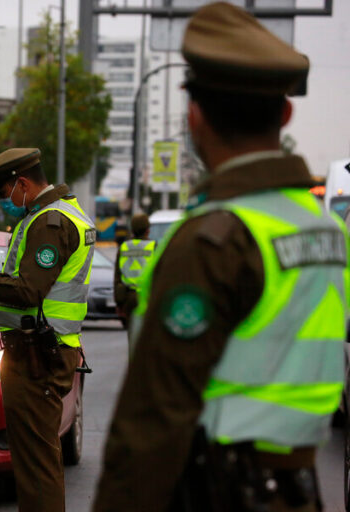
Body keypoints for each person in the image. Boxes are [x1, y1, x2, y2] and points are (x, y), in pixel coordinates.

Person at [93, 3, 349, 512]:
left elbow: (152, 421)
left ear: (194, 115)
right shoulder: (327, 227)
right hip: (298, 490)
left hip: (220, 493)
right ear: (285, 113)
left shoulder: (214, 239)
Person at [0, 147, 96, 512]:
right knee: (36, 460)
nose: (6, 202)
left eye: (5, 193)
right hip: (44, 350)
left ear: (22, 183)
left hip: (37, 354)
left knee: (36, 464)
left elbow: (29, 290)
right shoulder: (59, 213)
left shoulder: (49, 223)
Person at [113, 213, 154, 339]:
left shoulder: (124, 247)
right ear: (148, 230)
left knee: (133, 336)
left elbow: (117, 277)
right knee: (149, 337)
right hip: (148, 298)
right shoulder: (154, 246)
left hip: (129, 298)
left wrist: (119, 304)